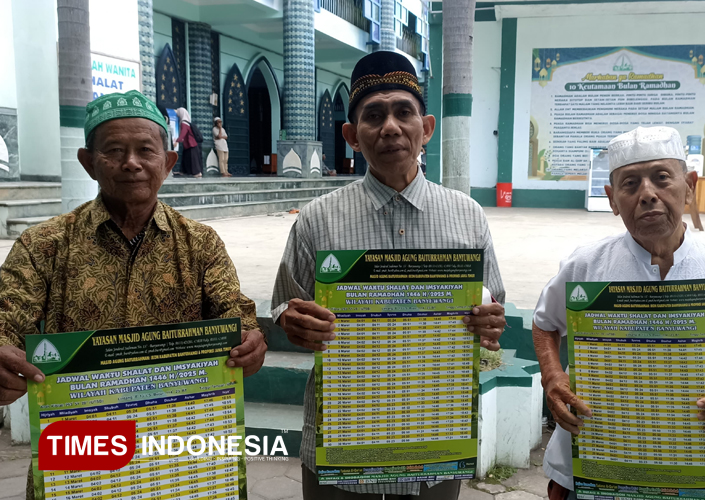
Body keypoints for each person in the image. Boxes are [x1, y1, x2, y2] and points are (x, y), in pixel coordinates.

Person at [0, 90, 268, 500]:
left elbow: (235, 313)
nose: (131, 163)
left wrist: (250, 341)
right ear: (89, 163)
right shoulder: (44, 246)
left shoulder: (201, 244)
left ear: (168, 162)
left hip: (182, 452)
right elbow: (6, 319)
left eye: (146, 149)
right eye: (113, 151)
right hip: (81, 457)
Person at [271, 51, 507, 500]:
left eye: (404, 112)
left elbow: (491, 304)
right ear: (351, 136)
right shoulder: (318, 219)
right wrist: (293, 320)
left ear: (427, 128)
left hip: (435, 436)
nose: (391, 127)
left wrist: (489, 322)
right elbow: (285, 303)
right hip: (342, 434)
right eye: (373, 116)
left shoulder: (468, 217)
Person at [532, 126, 705, 500]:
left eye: (662, 178)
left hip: (692, 470)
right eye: (630, 184)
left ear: (690, 185)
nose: (647, 194)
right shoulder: (585, 267)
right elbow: (544, 324)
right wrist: (552, 377)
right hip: (589, 468)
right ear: (612, 200)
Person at [174, 107, 202, 178]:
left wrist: (177, 141)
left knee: (193, 159)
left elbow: (183, 132)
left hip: (191, 144)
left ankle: (197, 173)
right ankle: (183, 171)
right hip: (188, 144)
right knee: (185, 158)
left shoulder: (184, 122)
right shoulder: (186, 122)